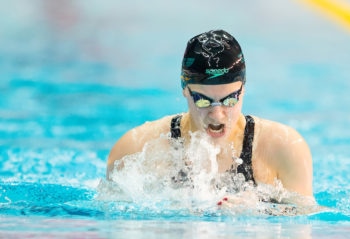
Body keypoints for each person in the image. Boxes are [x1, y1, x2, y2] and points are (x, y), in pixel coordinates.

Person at [107, 29, 315, 205]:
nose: (217, 114)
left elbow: (304, 222)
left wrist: (260, 212)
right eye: (203, 100)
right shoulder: (136, 149)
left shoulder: (284, 148)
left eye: (230, 99)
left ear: (243, 88)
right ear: (185, 89)